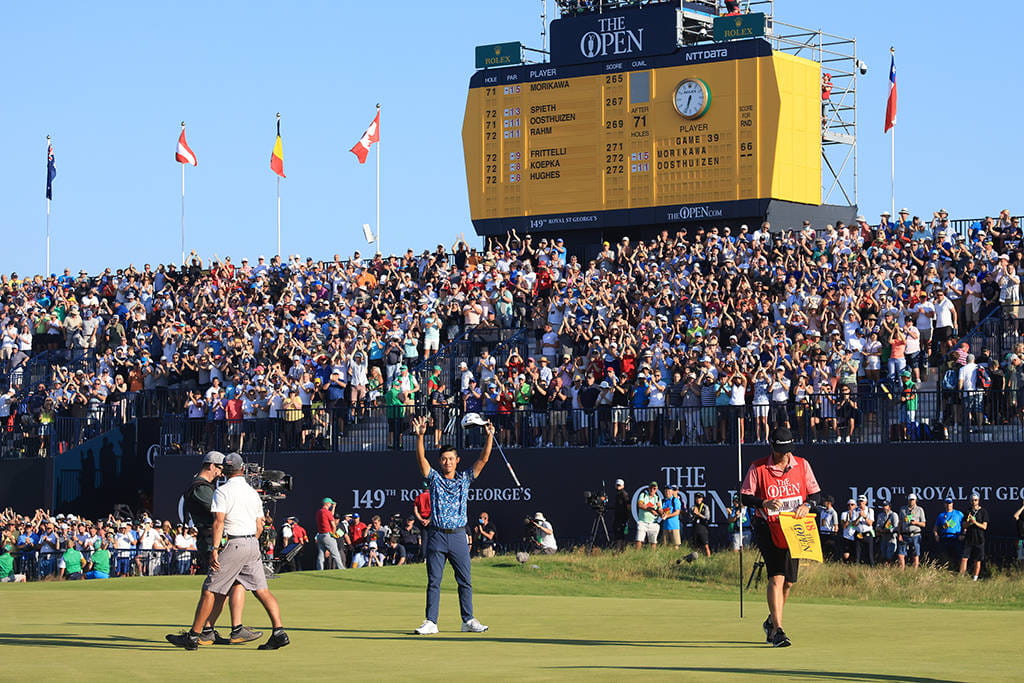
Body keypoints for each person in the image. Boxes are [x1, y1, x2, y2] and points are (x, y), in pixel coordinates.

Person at [166, 452, 290, 651]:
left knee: (210, 590)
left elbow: (219, 522)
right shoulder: (252, 493)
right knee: (262, 591)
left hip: (234, 543)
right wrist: (251, 544)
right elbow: (260, 525)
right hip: (252, 543)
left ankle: (193, 636)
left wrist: (215, 549)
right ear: (242, 469)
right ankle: (279, 632)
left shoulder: (221, 491)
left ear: (224, 470)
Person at [410, 415, 492, 635]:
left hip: (458, 536)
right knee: (434, 581)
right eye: (444, 459)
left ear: (458, 461)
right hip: (437, 535)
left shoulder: (464, 479)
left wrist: (489, 438)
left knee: (465, 581)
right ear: (440, 461)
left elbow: (483, 460)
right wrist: (419, 437)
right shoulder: (434, 479)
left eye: (451, 459)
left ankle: (468, 620)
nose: (447, 462)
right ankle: (431, 622)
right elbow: (421, 460)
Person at [740, 426, 821, 648]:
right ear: (772, 447)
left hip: (794, 527)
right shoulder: (758, 467)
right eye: (779, 450)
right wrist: (763, 502)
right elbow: (745, 496)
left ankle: (770, 621)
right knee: (776, 577)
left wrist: (808, 504)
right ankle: (778, 630)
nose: (783, 455)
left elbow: (815, 494)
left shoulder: (802, 464)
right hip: (767, 525)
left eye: (786, 450)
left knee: (789, 583)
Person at [180, 451, 250, 645]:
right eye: (220, 468)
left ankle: (210, 630)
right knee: (218, 587)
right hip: (211, 541)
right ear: (210, 465)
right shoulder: (201, 488)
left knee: (227, 586)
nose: (221, 473)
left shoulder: (204, 487)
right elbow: (220, 512)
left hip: (214, 540)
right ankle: (205, 632)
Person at [960, 493, 988, 580]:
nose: (974, 502)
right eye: (972, 500)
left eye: (975, 500)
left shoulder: (983, 512)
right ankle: (961, 577)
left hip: (979, 539)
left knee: (977, 559)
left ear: (978, 500)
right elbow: (964, 525)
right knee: (964, 558)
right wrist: (969, 522)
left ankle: (975, 578)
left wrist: (975, 522)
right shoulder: (967, 511)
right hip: (969, 538)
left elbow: (984, 526)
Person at [315, 498, 348, 570]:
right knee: (336, 554)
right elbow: (333, 525)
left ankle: (319, 569)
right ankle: (341, 568)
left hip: (320, 535)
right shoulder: (327, 512)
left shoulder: (319, 512)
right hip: (327, 535)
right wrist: (333, 534)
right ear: (327, 503)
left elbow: (330, 515)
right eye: (330, 503)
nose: (331, 505)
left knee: (321, 555)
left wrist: (333, 507)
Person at [934, 497, 965, 570]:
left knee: (958, 556)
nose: (948, 505)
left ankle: (959, 572)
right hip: (945, 538)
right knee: (945, 557)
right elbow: (935, 528)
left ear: (952, 504)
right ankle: (946, 571)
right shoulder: (941, 515)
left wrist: (963, 534)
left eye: (950, 503)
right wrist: (936, 535)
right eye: (947, 503)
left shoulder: (958, 513)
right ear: (944, 504)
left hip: (956, 537)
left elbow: (965, 525)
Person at [897, 493, 926, 569]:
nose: (911, 501)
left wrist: (916, 523)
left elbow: (923, 524)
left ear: (916, 500)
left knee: (915, 554)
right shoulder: (902, 509)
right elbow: (900, 523)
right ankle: (901, 571)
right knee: (901, 554)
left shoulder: (919, 510)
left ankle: (914, 571)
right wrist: (899, 534)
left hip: (915, 535)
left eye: (913, 500)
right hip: (904, 534)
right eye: (910, 500)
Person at [635, 481, 661, 550]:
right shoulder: (643, 495)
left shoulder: (658, 498)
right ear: (648, 488)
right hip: (642, 522)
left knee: (653, 542)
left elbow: (660, 511)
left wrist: (660, 510)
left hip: (653, 523)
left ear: (656, 489)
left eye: (654, 488)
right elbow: (640, 505)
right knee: (639, 540)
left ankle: (653, 558)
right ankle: (636, 556)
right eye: (651, 488)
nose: (652, 490)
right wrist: (651, 510)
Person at [690, 492, 712, 557]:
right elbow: (690, 518)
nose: (698, 499)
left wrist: (699, 514)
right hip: (695, 528)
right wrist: (694, 514)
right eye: (697, 498)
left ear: (702, 499)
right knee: (695, 547)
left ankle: (709, 558)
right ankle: (696, 559)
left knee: (706, 545)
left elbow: (707, 518)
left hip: (703, 528)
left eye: (699, 498)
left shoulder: (705, 507)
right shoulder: (692, 507)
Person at [611, 478, 630, 550]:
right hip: (617, 518)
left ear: (623, 486)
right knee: (618, 535)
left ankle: (619, 551)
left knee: (620, 535)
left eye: (619, 485)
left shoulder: (624, 494)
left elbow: (628, 506)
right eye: (617, 485)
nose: (618, 486)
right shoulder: (618, 495)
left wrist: (627, 519)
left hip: (622, 519)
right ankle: (620, 550)